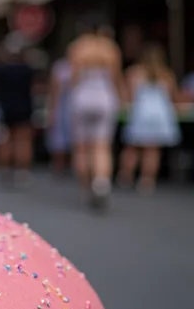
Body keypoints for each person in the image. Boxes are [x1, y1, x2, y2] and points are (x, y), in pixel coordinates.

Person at [67, 21, 124, 210]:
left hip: (83, 95)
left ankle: (86, 188)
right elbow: (116, 78)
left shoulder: (78, 47)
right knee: (101, 145)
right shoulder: (110, 48)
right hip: (105, 96)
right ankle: (101, 183)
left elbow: (74, 78)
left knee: (82, 147)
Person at [117, 43, 180, 193]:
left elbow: (127, 97)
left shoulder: (134, 73)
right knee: (152, 150)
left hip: (140, 113)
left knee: (132, 147)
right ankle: (147, 181)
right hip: (160, 115)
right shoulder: (167, 74)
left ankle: (126, 176)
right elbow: (174, 97)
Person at [0, 33, 37, 187]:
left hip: (5, 108)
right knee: (23, 140)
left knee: (5, 140)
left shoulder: (0, 70)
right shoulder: (28, 70)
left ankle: (5, 169)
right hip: (24, 107)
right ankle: (22, 171)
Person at [44, 55, 73, 175]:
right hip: (66, 105)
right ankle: (63, 164)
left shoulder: (62, 67)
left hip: (70, 105)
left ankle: (64, 164)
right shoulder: (62, 66)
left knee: (61, 135)